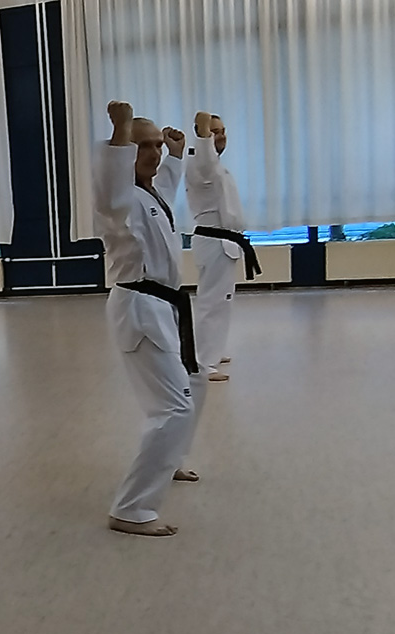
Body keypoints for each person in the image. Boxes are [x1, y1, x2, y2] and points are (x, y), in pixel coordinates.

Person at [93, 101, 207, 538]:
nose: (153, 153)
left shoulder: (149, 194)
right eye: (143, 145)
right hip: (141, 308)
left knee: (193, 383)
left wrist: (176, 155)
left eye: (157, 144)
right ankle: (132, 508)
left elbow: (166, 190)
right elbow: (112, 186)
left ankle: (170, 457)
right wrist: (121, 128)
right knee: (173, 408)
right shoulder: (116, 198)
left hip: (164, 306)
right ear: (124, 149)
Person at [185, 111, 260, 382]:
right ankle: (203, 364)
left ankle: (211, 351)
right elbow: (206, 162)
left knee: (221, 301)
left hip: (223, 241)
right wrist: (203, 128)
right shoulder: (200, 162)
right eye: (214, 131)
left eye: (223, 130)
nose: (221, 136)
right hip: (214, 241)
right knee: (211, 302)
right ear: (202, 134)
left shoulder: (213, 164)